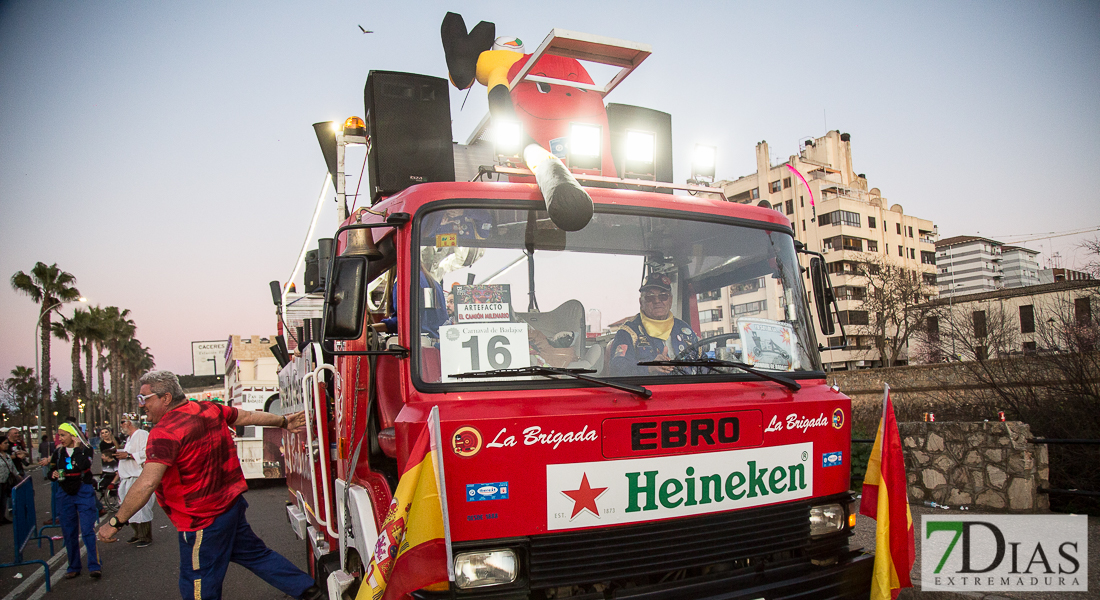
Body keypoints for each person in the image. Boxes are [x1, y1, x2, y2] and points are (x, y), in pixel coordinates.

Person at [97, 370, 324, 600]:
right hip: (229, 507)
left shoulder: (164, 432)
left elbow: (146, 483)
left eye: (144, 399)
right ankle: (309, 591)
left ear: (165, 397)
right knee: (257, 555)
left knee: (199, 584)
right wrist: (283, 421)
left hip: (202, 521)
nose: (141, 405)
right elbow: (245, 417)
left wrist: (116, 522)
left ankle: (308, 591)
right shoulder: (208, 409)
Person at [608, 273, 701, 376]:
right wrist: (649, 368)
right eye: (650, 297)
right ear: (641, 302)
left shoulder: (685, 329)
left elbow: (703, 362)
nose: (657, 301)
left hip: (688, 389)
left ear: (670, 300)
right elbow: (617, 368)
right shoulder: (627, 332)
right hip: (649, 391)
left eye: (663, 296)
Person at [48, 422, 101, 579]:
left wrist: (77, 448)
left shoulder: (86, 449)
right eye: (59, 435)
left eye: (63, 435)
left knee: (87, 530)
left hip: (83, 491)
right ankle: (74, 566)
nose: (60, 439)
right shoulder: (58, 453)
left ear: (73, 435)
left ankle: (94, 565)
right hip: (64, 493)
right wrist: (53, 474)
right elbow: (51, 470)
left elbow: (85, 464)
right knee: (69, 532)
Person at [114, 419, 155, 546]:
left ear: (129, 423)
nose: (121, 426)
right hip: (127, 477)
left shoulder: (142, 434)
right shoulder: (129, 438)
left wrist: (128, 456)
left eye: (122, 422)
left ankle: (145, 536)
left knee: (141, 507)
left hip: (138, 477)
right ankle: (137, 533)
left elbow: (148, 451)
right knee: (129, 506)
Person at [0, 438, 19, 524]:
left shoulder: (7, 456)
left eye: (7, 443)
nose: (7, 444)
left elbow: (13, 469)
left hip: (5, 482)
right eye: (5, 443)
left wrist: (19, 477)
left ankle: (2, 517)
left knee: (3, 500)